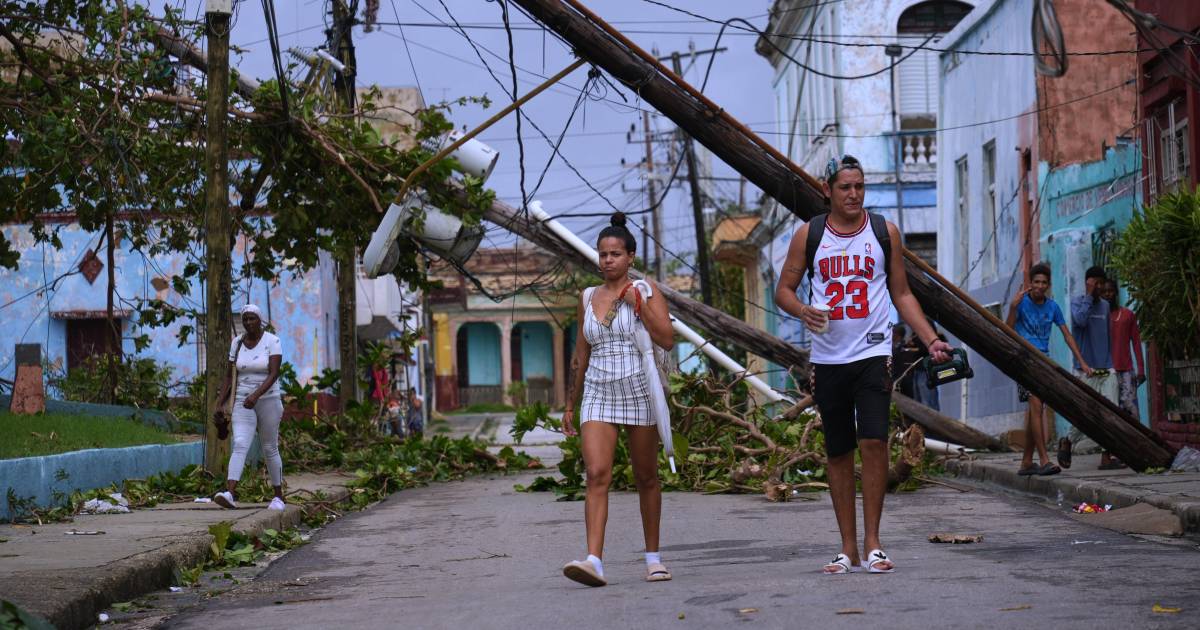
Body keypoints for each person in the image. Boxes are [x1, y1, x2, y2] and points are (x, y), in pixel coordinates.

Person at [775, 155, 952, 575]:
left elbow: (902, 294)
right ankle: (847, 548)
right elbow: (782, 289)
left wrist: (931, 340)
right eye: (845, 187)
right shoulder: (810, 235)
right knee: (839, 451)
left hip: (874, 353)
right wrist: (802, 310)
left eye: (859, 186)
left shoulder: (882, 232)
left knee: (874, 441)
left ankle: (874, 543)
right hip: (828, 358)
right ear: (827, 190)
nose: (853, 194)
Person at [560, 212, 675, 587]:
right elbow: (581, 354)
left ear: (630, 258)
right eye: (603, 254)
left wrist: (635, 303)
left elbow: (667, 338)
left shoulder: (645, 291)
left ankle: (653, 558)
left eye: (615, 254)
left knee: (646, 477)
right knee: (596, 474)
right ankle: (594, 560)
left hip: (639, 389)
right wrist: (569, 404)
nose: (608, 260)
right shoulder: (587, 297)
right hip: (598, 391)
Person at [1006, 263, 1092, 475]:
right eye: (1036, 282)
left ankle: (1027, 462)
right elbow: (1006, 330)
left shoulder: (1052, 307)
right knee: (1036, 407)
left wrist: (1081, 361)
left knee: (1035, 410)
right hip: (1023, 359)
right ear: (1030, 284)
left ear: (1048, 285)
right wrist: (1012, 307)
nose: (1040, 286)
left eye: (1044, 283)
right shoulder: (1022, 303)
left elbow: (1067, 335)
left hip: (1043, 360)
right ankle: (1044, 460)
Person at [211, 304, 286, 510]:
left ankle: (278, 496)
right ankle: (230, 493)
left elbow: (273, 373)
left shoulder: (273, 341)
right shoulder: (237, 343)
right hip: (243, 400)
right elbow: (229, 376)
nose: (248, 323)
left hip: (268, 399)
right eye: (245, 319)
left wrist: (256, 395)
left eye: (252, 319)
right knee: (241, 442)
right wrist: (220, 403)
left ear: (259, 320)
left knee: (270, 447)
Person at [1071, 266, 1124, 470]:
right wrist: (1088, 298)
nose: (1099, 287)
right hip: (1085, 370)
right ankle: (1067, 441)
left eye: (1101, 284)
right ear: (1088, 283)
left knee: (1110, 412)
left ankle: (1106, 456)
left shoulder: (1104, 306)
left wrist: (1112, 366)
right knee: (1085, 413)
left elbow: (1108, 337)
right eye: (1096, 283)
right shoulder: (1077, 302)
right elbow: (1080, 321)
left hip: (1106, 369)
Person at [1102, 279, 1146, 419]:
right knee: (1112, 411)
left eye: (1110, 291)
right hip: (1106, 372)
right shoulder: (1098, 317)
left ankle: (1135, 440)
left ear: (1116, 292)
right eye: (1104, 292)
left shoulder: (1128, 315)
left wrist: (1141, 369)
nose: (1107, 294)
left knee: (1131, 410)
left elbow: (1137, 343)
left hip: (1126, 371)